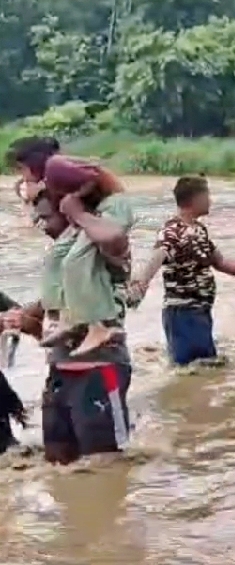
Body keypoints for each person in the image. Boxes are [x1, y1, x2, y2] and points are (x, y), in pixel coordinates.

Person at [0, 189, 136, 464]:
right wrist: (24, 324)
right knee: (59, 468)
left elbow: (114, 236)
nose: (41, 226)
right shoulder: (57, 266)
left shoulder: (98, 254)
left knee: (106, 465)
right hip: (60, 374)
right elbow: (43, 332)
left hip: (100, 370)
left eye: (47, 218)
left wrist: (79, 214)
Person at [128, 176, 235, 367]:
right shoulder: (173, 230)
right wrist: (140, 284)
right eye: (207, 195)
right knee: (191, 371)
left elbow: (221, 262)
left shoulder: (199, 230)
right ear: (196, 198)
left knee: (204, 369)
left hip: (199, 312)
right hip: (183, 314)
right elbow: (157, 256)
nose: (211, 200)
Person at [12, 138, 128, 356]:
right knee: (58, 260)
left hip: (102, 359)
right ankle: (66, 321)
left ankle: (94, 329)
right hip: (74, 360)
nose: (44, 226)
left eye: (45, 218)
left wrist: (76, 210)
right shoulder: (70, 244)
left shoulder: (97, 234)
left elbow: (115, 241)